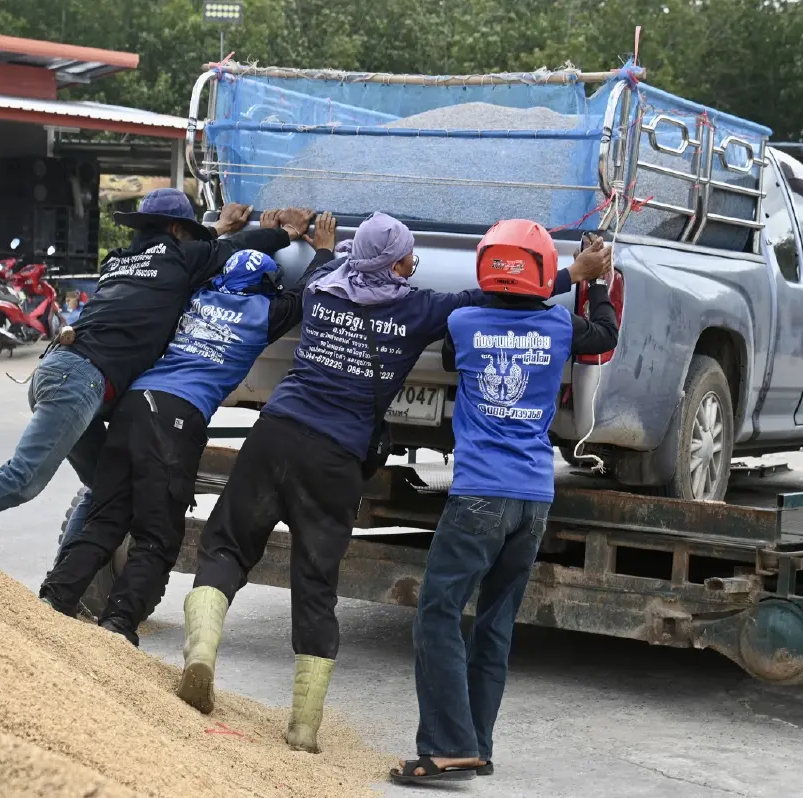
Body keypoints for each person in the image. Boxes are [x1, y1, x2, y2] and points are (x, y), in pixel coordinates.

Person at [174, 211, 612, 757]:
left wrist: (329, 250)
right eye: (408, 256)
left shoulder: (320, 289)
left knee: (227, 546)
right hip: (335, 459)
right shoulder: (417, 310)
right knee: (315, 583)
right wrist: (577, 273)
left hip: (275, 435)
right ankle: (304, 729)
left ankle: (202, 652)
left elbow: (331, 268)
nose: (413, 264)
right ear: (396, 263)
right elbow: (499, 294)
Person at [0, 188, 313, 540]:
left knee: (108, 489)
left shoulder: (117, 260)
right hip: (81, 380)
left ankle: (62, 589)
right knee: (22, 480)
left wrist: (220, 228)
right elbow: (235, 247)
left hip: (57, 370)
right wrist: (287, 233)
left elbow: (203, 247)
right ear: (177, 231)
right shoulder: (180, 259)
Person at [36, 212, 336, 645]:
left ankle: (52, 601)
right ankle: (118, 627)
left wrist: (264, 233)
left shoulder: (199, 294)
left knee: (106, 516)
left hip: (134, 405)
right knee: (158, 536)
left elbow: (217, 256)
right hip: (176, 418)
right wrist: (323, 248)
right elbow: (309, 289)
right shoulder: (265, 312)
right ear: (266, 286)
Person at [389, 222, 618, 784]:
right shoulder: (562, 325)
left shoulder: (465, 324)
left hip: (477, 497)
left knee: (438, 615)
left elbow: (449, 361)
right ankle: (477, 747)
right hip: (534, 498)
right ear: (542, 272)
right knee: (494, 622)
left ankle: (445, 747)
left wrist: (566, 279)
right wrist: (593, 281)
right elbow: (605, 335)